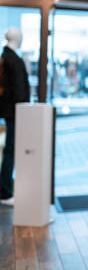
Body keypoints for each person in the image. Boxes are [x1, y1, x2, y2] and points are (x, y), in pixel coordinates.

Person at [0, 27, 30, 206]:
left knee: (9, 150)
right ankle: (5, 191)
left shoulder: (5, 57)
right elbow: (19, 91)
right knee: (11, 150)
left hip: (9, 111)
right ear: (18, 38)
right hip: (14, 112)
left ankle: (5, 188)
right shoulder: (14, 60)